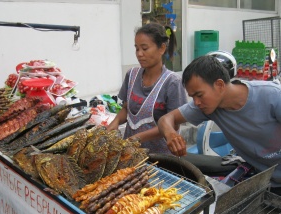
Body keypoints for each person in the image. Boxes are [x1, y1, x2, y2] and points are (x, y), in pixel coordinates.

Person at [158, 54, 281, 194]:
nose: (196, 102)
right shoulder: (208, 107)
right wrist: (171, 134)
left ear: (219, 85)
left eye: (199, 95)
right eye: (193, 97)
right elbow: (166, 119)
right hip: (265, 181)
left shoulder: (273, 96)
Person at [106, 22, 187, 154]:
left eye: (145, 48)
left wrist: (138, 138)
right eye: (137, 48)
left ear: (161, 48)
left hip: (159, 156)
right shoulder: (131, 75)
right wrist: (115, 122)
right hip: (130, 153)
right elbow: (126, 108)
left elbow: (174, 125)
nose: (139, 54)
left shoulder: (172, 82)